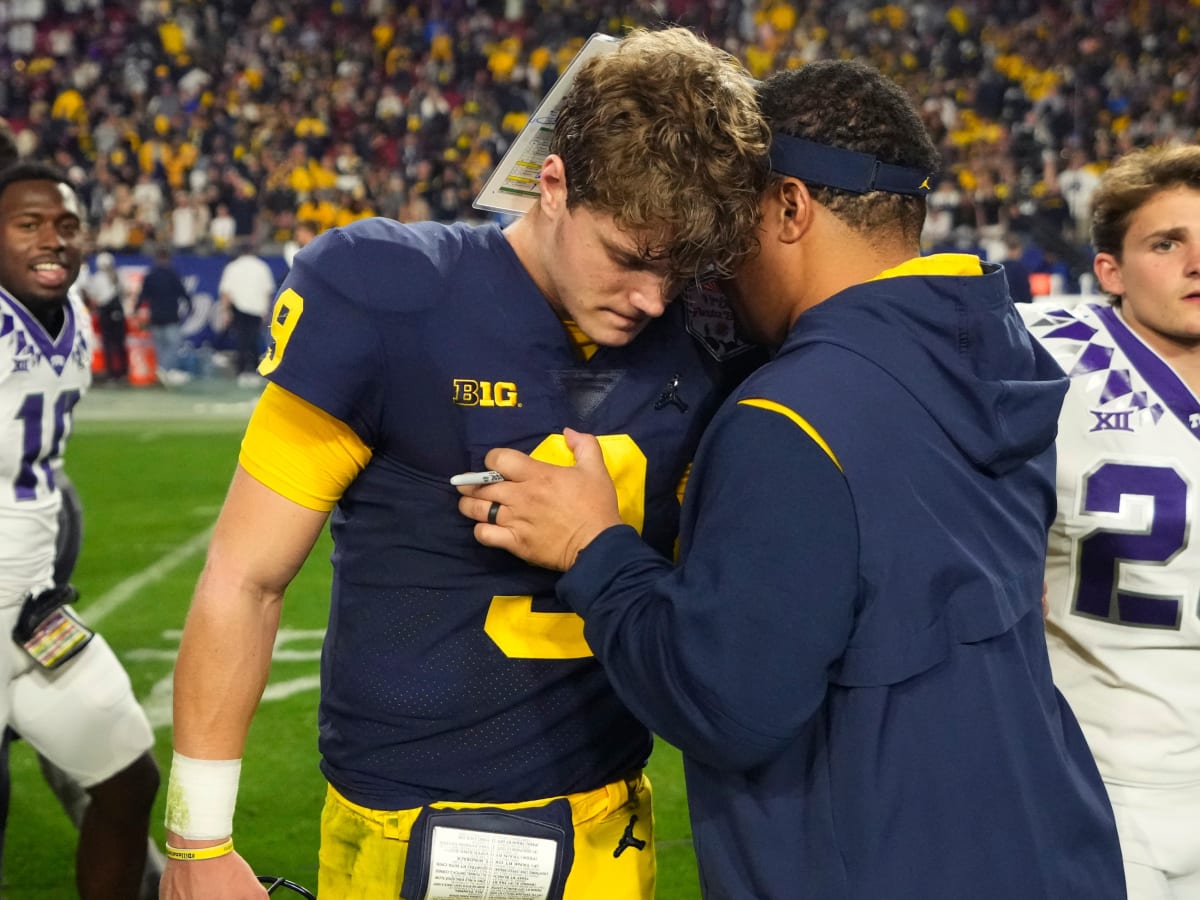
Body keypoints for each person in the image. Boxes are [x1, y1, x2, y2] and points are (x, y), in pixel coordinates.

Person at [456, 60, 1126, 899]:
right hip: (1046, 842)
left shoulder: (791, 414)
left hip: (876, 863)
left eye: (731, 225)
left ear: (788, 206)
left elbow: (727, 704)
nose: (714, 265)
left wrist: (594, 548)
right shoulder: (1005, 356)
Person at [162, 26, 768, 900]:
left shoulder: (709, 328)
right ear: (553, 183)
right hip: (404, 822)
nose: (653, 298)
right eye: (631, 259)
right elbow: (245, 577)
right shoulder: (387, 292)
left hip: (611, 820)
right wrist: (197, 837)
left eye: (679, 270)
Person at [1022, 144, 1200, 899]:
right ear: (1111, 271)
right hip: (1108, 785)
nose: (1197, 264)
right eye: (1168, 243)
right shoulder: (1040, 353)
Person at [0, 161, 160, 898]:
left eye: (65, 225)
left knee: (128, 780)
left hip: (32, 616)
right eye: (27, 224)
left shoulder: (76, 320)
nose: (50, 239)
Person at [216, 238, 276, 387]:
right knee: (254, 340)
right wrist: (266, 310)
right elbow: (268, 291)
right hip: (256, 309)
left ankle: (242, 371)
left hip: (239, 308)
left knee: (242, 340)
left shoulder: (232, 267)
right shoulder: (262, 267)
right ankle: (255, 371)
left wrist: (225, 312)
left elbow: (226, 292)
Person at [137, 245, 193, 384]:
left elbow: (142, 296)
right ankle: (165, 370)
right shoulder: (173, 274)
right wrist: (190, 306)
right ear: (168, 258)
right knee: (172, 345)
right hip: (170, 316)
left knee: (160, 347)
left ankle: (162, 372)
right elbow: (183, 293)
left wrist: (136, 309)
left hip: (155, 317)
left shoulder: (150, 275)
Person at [82, 251, 129, 381]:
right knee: (120, 343)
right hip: (118, 311)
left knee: (108, 344)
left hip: (106, 312)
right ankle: (123, 371)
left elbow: (93, 296)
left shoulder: (98, 278)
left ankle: (112, 373)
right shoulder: (119, 275)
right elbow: (125, 293)